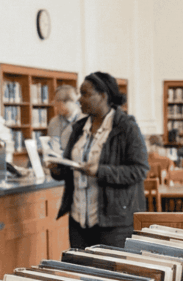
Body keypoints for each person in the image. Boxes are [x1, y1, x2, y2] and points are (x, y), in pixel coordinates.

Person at [46, 71, 148, 248]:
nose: (79, 100)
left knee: (112, 274)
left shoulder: (126, 128)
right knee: (80, 273)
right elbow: (70, 167)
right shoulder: (78, 128)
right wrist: (57, 168)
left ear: (103, 96)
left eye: (85, 94)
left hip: (114, 222)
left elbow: (139, 170)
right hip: (78, 220)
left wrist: (100, 171)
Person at [46, 85, 80, 153]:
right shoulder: (54, 121)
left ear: (68, 102)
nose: (56, 108)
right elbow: (54, 145)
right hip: (60, 160)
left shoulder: (86, 119)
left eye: (58, 104)